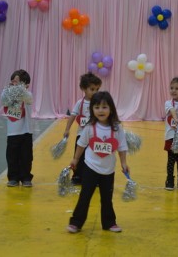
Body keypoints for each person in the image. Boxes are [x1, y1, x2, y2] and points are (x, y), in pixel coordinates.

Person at [67, 91, 129, 233]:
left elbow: (122, 146)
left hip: (108, 170)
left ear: (111, 109)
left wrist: (124, 163)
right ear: (92, 110)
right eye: (97, 107)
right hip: (90, 167)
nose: (100, 110)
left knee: (107, 198)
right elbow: (81, 144)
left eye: (104, 107)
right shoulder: (89, 127)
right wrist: (75, 159)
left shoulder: (117, 127)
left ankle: (109, 222)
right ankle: (76, 222)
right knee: (85, 196)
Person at [63, 72, 102, 185]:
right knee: (78, 156)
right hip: (81, 136)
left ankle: (95, 178)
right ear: (83, 88)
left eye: (97, 89)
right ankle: (77, 177)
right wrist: (67, 129)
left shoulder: (99, 103)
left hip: (95, 137)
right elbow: (73, 116)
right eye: (92, 89)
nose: (95, 92)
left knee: (95, 157)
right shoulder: (80, 103)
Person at [1, 69, 34, 187]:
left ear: (25, 85)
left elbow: (26, 97)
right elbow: (3, 101)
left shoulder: (28, 94)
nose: (14, 84)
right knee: (12, 156)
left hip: (26, 131)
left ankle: (26, 177)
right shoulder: (7, 92)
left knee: (26, 156)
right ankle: (13, 177)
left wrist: (20, 89)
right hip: (12, 132)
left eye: (17, 82)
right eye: (13, 81)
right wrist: (8, 90)